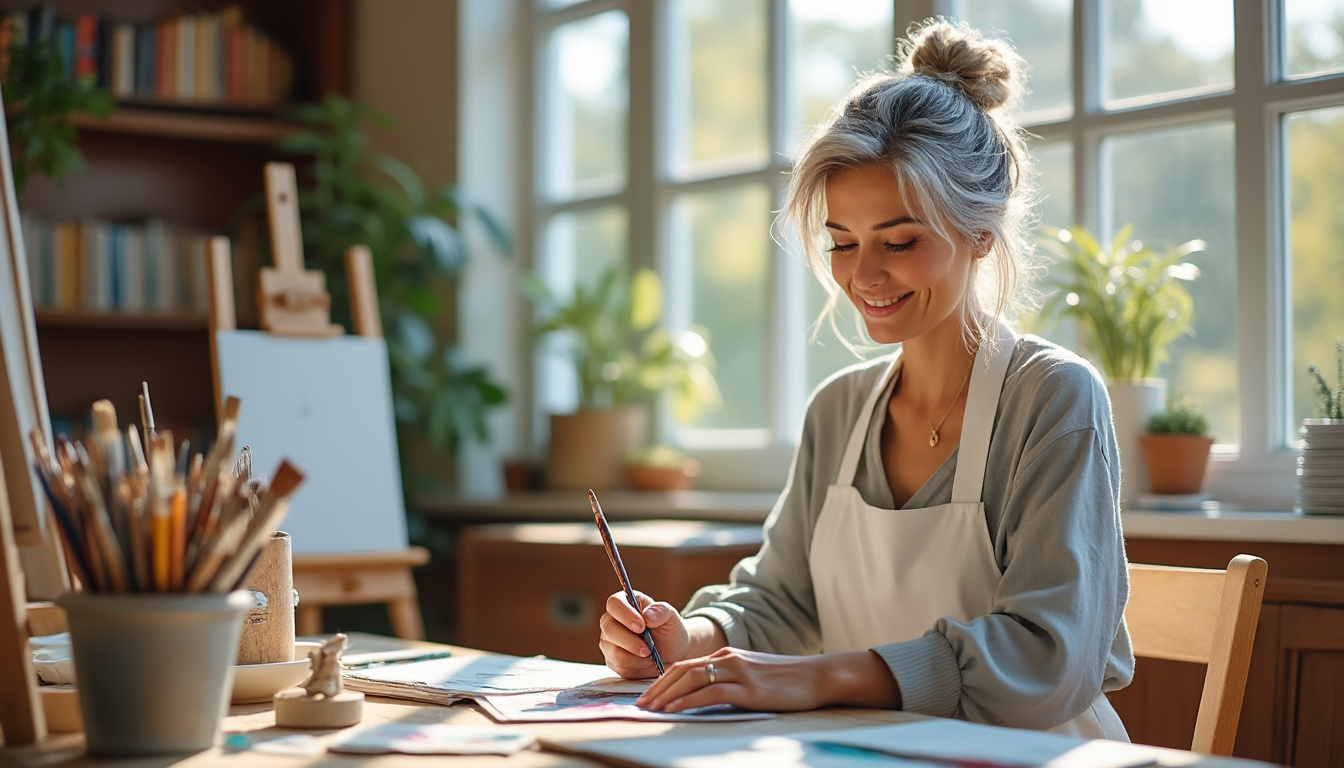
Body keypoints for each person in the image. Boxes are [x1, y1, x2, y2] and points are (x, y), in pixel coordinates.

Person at [597, 18, 1133, 739]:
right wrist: (687, 638)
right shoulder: (838, 411)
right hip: (872, 751)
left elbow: (1048, 656)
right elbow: (781, 604)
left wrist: (820, 675)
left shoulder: (1053, 399)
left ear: (982, 230)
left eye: (900, 241)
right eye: (842, 243)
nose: (863, 276)